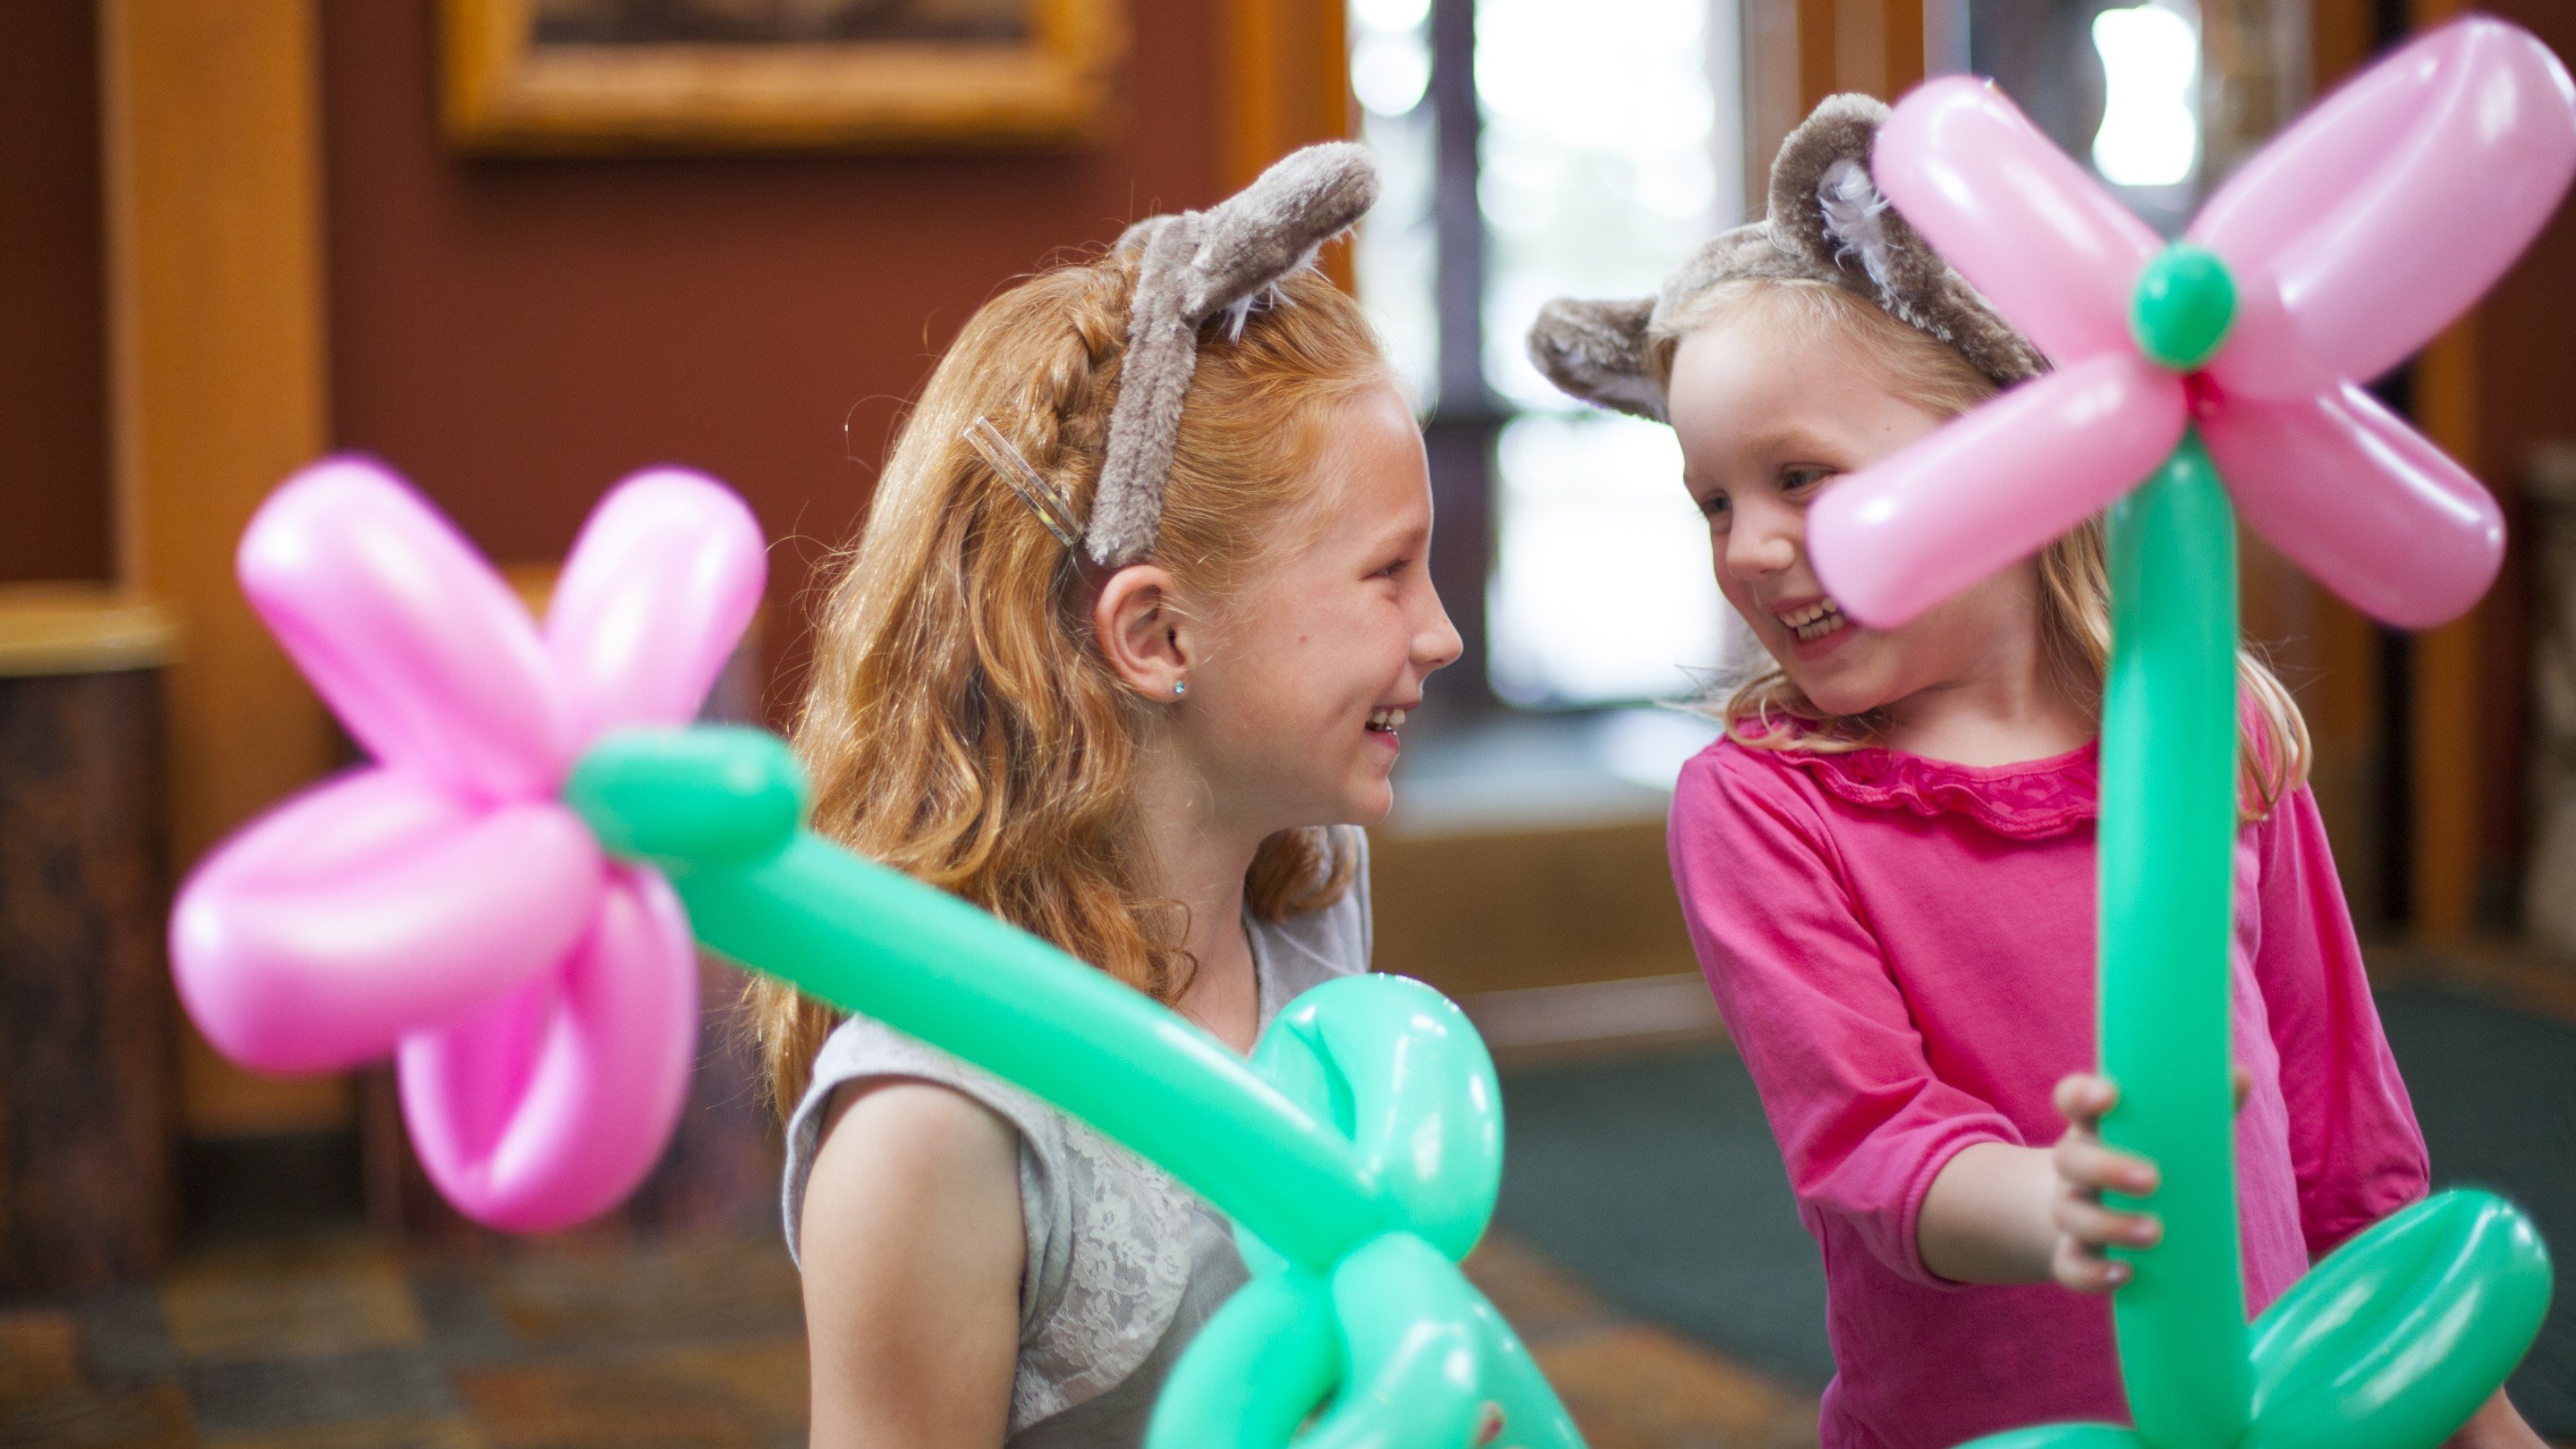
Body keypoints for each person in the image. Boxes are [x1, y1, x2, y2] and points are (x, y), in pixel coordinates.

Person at [1528, 96, 2541, 1449]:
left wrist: (2464, 1407)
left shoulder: (2211, 729)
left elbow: (2342, 1121)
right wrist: (2051, 1202)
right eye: (1713, 499)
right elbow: (1866, 1148)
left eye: (1799, 478)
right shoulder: (1766, 806)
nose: (1747, 547)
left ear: (2003, 451)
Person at [749, 143, 1462, 1448]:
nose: (1442, 634)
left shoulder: (1307, 898)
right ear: (1158, 638)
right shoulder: (931, 1124)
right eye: (1390, 574)